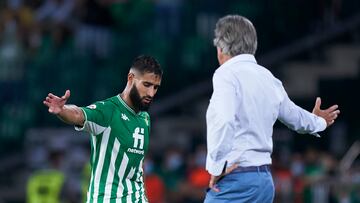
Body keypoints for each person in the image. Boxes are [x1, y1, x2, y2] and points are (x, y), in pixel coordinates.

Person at [204, 15, 340, 203]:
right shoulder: (268, 77)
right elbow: (294, 116)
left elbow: (225, 120)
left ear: (220, 48)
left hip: (236, 179)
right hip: (264, 182)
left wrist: (216, 168)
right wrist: (319, 121)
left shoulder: (225, 74)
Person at [43, 55, 163, 202]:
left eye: (155, 87)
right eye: (146, 85)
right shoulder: (109, 110)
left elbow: (138, 166)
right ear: (131, 78)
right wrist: (62, 110)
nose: (151, 93)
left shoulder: (145, 118)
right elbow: (79, 113)